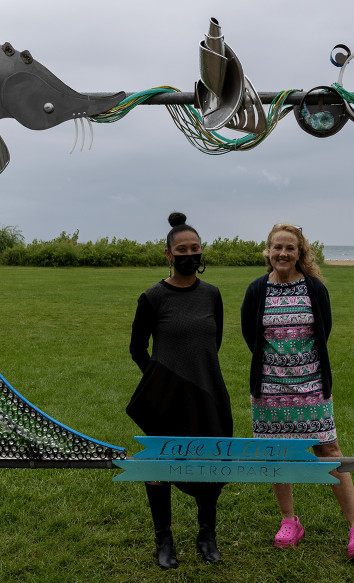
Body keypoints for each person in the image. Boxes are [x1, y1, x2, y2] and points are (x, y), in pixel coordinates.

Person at [240, 223, 354, 559]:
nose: (283, 253)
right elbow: (250, 335)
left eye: (290, 248)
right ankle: (289, 521)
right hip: (269, 389)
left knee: (329, 450)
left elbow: (323, 331)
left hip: (312, 386)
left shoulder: (314, 288)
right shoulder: (257, 290)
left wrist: (301, 368)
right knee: (277, 454)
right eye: (277, 247)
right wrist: (276, 368)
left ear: (300, 252)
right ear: (268, 251)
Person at [127, 212, 233, 569]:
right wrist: (161, 383)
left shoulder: (212, 295)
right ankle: (164, 540)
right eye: (182, 249)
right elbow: (137, 349)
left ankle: (207, 535)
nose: (190, 254)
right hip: (166, 399)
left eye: (195, 248)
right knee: (161, 465)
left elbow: (213, 343)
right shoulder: (153, 297)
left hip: (208, 392)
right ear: (169, 255)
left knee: (213, 462)